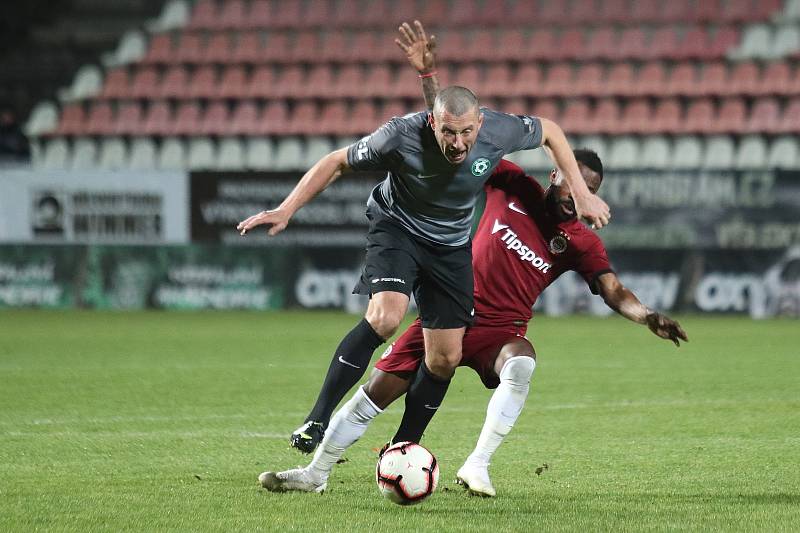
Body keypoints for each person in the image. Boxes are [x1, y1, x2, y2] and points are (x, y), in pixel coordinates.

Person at [238, 20, 611, 457]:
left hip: (450, 244)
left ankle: (403, 447)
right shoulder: (398, 135)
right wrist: (287, 208)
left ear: (481, 123)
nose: (458, 143)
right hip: (398, 226)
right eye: (448, 132)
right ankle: (317, 420)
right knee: (385, 317)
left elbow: (549, 130)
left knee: (445, 357)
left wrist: (581, 191)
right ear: (433, 123)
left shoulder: (498, 131)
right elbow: (337, 161)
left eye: (466, 132)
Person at [258, 152, 687, 496]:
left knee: (521, 366)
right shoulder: (514, 185)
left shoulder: (580, 240)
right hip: (447, 312)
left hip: (501, 330)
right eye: (574, 183)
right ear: (557, 174)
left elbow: (613, 290)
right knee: (375, 393)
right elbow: (461, 154)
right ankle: (315, 473)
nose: (578, 195)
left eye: (588, 191)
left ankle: (477, 465)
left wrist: (647, 315)